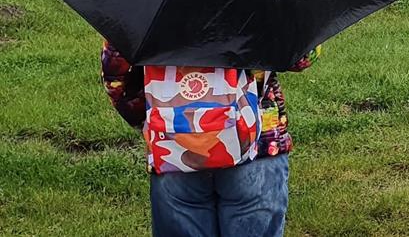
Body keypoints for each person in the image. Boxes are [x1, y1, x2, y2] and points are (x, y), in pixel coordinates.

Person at [102, 41, 320, 236]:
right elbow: (303, 54)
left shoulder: (146, 0)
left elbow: (115, 74)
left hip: (173, 145)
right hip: (257, 143)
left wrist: (153, 122)